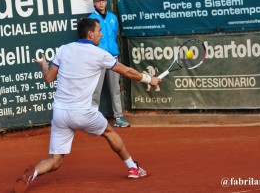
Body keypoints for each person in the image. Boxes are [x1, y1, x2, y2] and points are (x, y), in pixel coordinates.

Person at [14, 18, 160, 193]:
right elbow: (127, 71)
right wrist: (149, 79)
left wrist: (44, 65)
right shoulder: (100, 54)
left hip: (60, 114)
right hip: (82, 112)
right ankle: (133, 168)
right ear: (90, 34)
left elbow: (49, 78)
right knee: (109, 132)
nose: (101, 33)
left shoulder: (63, 49)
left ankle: (34, 173)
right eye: (99, 30)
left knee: (55, 161)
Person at [89, 0, 129, 127]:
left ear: (106, 2)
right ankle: (93, 119)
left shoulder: (113, 17)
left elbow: (115, 33)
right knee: (96, 90)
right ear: (94, 3)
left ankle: (118, 118)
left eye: (103, 0)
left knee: (115, 89)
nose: (101, 3)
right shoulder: (91, 19)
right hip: (98, 59)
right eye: (98, 1)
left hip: (112, 58)